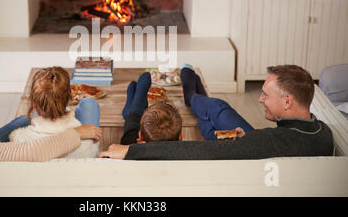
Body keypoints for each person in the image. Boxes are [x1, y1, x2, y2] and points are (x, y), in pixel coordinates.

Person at [99, 64, 334, 160]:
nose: (259, 99)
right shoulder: (322, 133)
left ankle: (192, 96)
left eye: (265, 94)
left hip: (251, 154)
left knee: (217, 108)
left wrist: (131, 151)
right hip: (254, 146)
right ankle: (195, 97)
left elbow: (200, 150)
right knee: (215, 112)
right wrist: (246, 140)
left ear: (287, 101)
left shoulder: (269, 142)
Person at [9, 67, 101, 158]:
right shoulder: (88, 142)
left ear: (34, 105)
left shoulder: (18, 139)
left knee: (25, 118)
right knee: (89, 103)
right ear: (69, 98)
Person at [119, 72, 183, 145]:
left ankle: (133, 111)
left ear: (140, 136)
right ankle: (133, 109)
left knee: (130, 134)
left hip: (133, 147)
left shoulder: (127, 149)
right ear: (181, 136)